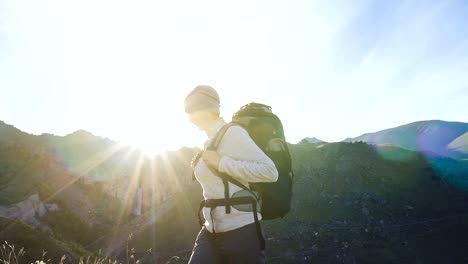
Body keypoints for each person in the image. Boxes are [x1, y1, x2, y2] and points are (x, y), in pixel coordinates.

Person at [184, 85, 279, 264]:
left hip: (241, 231)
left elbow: (270, 171)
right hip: (211, 229)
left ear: (206, 109)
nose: (190, 118)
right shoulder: (208, 141)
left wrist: (222, 163)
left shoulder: (233, 133)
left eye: (192, 111)